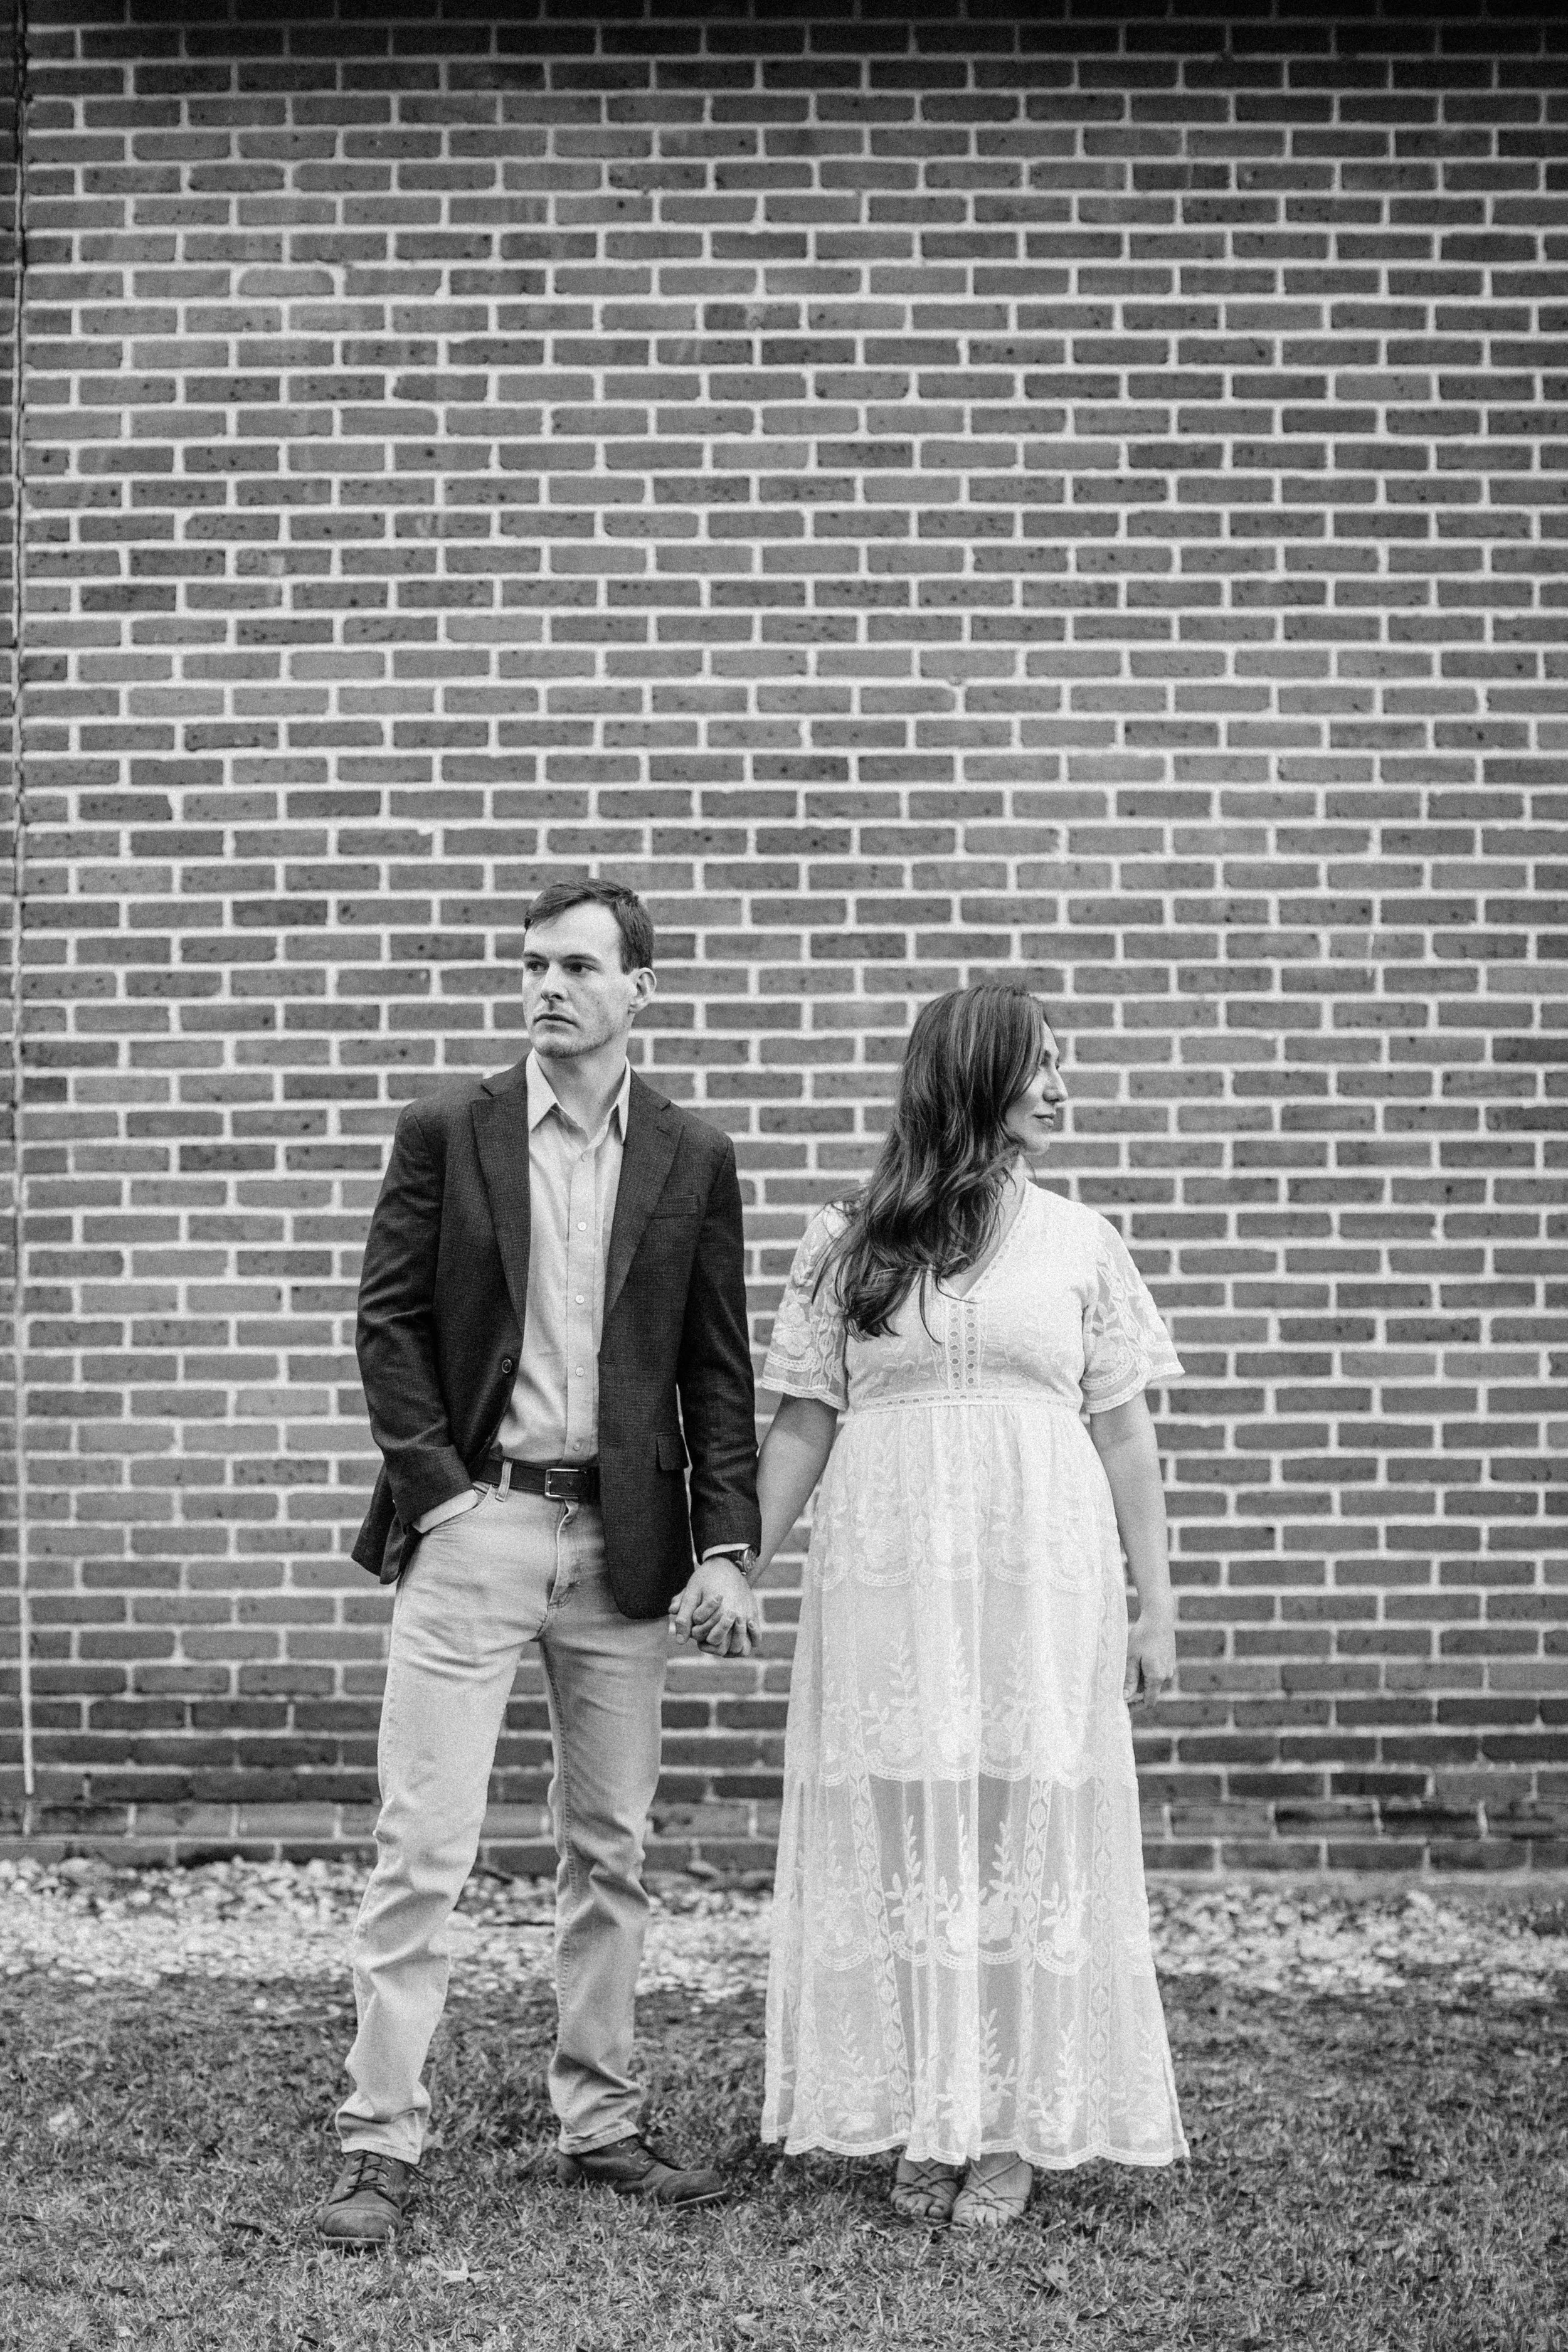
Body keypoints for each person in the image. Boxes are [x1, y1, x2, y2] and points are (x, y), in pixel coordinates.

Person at [321, 878, 764, 2249]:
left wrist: (729, 1546)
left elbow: (716, 1369)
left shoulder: (691, 1156)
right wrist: (440, 1497)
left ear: (641, 989)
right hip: (477, 1529)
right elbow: (386, 1324)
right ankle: (380, 2143)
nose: (548, 987)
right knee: (424, 1847)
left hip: (624, 1547)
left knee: (610, 1850)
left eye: (579, 966)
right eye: (532, 965)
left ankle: (603, 2124)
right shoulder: (447, 1131)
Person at [753, 980, 1187, 2228]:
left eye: (1063, 1065)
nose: (1062, 1088)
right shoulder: (850, 1239)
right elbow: (799, 1423)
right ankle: (927, 2108)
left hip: (1036, 1579)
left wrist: (1153, 1605)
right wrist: (739, 1560)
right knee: (905, 1843)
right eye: (1039, 1065)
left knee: (1021, 1836)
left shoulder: (1079, 1241)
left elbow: (1122, 1434)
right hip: (892, 1581)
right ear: (972, 1078)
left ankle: (1004, 2122)